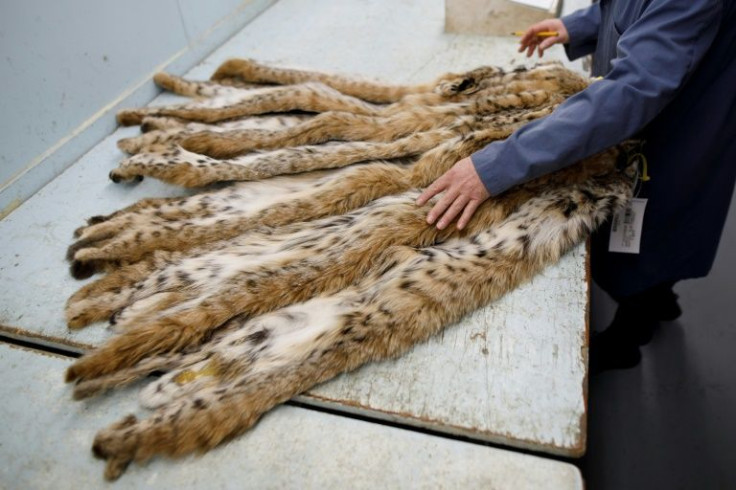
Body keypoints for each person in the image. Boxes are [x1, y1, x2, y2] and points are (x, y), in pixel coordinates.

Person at [417, 0, 736, 373]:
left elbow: (631, 91)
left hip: (675, 132)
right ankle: (659, 296)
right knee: (654, 240)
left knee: (651, 235)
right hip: (650, 112)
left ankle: (630, 336)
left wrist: (496, 164)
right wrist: (580, 26)